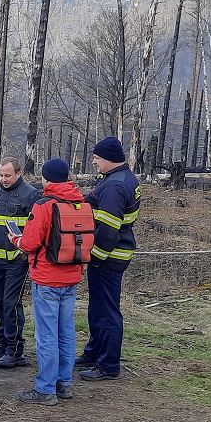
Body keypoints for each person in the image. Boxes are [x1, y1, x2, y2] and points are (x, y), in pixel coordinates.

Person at [9, 158, 85, 405]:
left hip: (47, 278)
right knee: (66, 332)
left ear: (46, 179)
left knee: (47, 335)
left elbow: (30, 243)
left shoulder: (44, 205)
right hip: (71, 277)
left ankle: (45, 389)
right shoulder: (79, 203)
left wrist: (16, 240)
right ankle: (63, 383)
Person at [76, 137, 139, 382]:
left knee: (107, 312)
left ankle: (108, 365)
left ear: (109, 159)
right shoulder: (119, 178)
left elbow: (109, 230)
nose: (93, 162)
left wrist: (95, 257)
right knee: (98, 308)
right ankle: (94, 352)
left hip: (109, 256)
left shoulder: (114, 186)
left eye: (97, 158)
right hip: (113, 254)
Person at [0, 157, 41, 368]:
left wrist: (25, 255)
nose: (3, 179)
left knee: (11, 304)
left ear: (19, 173)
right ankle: (3, 344)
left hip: (18, 261)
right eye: (1, 175)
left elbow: (37, 229)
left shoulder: (31, 195)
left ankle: (15, 350)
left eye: (7, 175)